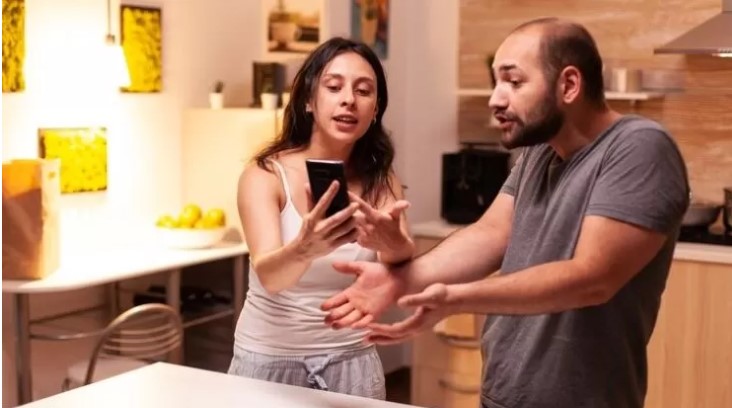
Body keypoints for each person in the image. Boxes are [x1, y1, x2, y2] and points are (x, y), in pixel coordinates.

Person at [321, 18, 690, 408]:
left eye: (514, 82)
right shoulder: (540, 151)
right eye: (496, 82)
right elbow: (490, 234)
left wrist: (458, 299)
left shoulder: (639, 147)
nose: (495, 99)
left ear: (569, 84)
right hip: (502, 394)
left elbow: (592, 278)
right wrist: (399, 280)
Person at [227, 36, 415, 400]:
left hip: (352, 359)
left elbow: (399, 267)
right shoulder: (265, 175)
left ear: (375, 108)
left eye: (364, 91)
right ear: (309, 100)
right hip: (268, 360)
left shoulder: (382, 179)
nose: (349, 99)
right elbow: (271, 277)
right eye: (334, 86)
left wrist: (394, 243)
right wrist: (305, 247)